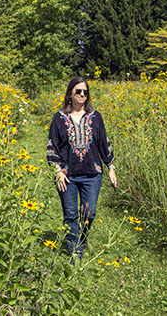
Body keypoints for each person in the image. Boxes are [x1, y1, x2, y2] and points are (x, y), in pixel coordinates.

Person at [46, 76, 117, 259]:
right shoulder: (59, 118)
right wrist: (57, 171)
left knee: (89, 213)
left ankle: (82, 237)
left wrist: (111, 167)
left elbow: (103, 143)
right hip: (67, 175)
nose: (82, 94)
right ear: (70, 93)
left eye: (85, 92)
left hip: (92, 173)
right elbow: (53, 145)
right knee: (70, 216)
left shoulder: (95, 117)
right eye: (78, 91)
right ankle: (75, 255)